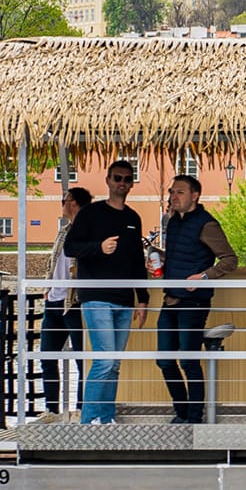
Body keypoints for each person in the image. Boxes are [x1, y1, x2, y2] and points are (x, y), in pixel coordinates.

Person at [64, 160, 150, 425]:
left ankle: (106, 417)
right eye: (117, 178)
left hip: (124, 300)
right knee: (104, 361)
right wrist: (98, 247)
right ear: (108, 180)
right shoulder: (90, 213)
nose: (121, 183)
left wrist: (143, 299)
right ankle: (89, 420)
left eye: (126, 179)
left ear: (131, 183)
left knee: (113, 364)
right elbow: (71, 248)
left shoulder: (133, 218)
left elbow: (137, 261)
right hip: (96, 297)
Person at [157, 175, 238, 423]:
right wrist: (160, 259)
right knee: (164, 360)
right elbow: (179, 254)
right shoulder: (173, 221)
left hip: (193, 303)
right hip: (170, 299)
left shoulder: (207, 224)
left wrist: (204, 276)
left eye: (180, 192)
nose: (174, 197)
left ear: (195, 196)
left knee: (189, 361)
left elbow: (229, 260)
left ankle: (194, 416)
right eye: (172, 192)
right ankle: (182, 411)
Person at [40, 187, 91, 419]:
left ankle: (80, 409)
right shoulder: (63, 232)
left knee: (83, 359)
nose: (62, 204)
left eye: (65, 200)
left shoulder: (89, 232)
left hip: (75, 302)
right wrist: (48, 288)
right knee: (47, 357)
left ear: (74, 203)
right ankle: (51, 409)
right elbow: (53, 263)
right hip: (54, 301)